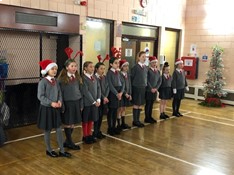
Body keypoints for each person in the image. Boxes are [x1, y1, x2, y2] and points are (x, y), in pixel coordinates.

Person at [37, 59, 71, 158]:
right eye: (52, 69)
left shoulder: (56, 81)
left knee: (59, 129)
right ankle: (49, 150)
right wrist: (51, 103)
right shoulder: (42, 82)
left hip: (56, 108)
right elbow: (40, 96)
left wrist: (60, 101)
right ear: (47, 70)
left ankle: (62, 150)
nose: (55, 71)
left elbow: (59, 92)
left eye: (56, 69)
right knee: (47, 130)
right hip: (47, 109)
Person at [57, 47, 83, 150]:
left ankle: (68, 141)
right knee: (67, 123)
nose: (74, 68)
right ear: (67, 67)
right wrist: (62, 105)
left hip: (76, 102)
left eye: (75, 66)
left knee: (72, 123)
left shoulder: (77, 78)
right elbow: (60, 94)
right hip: (67, 104)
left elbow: (80, 92)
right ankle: (70, 141)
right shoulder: (62, 79)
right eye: (72, 66)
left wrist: (81, 104)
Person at [82, 61, 101, 144]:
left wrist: (98, 99)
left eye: (93, 67)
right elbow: (86, 92)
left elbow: (98, 88)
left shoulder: (94, 77)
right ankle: (85, 136)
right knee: (85, 119)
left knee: (91, 119)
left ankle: (89, 134)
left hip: (95, 102)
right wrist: (93, 101)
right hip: (87, 103)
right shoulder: (83, 78)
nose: (92, 68)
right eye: (90, 67)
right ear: (85, 68)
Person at [106, 57, 124, 135]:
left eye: (118, 63)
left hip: (119, 92)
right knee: (111, 111)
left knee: (116, 111)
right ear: (111, 64)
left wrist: (121, 92)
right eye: (115, 63)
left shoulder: (119, 72)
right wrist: (117, 93)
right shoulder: (109, 73)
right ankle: (110, 127)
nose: (117, 65)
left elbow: (123, 83)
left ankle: (114, 126)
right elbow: (110, 85)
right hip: (113, 94)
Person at [131, 51, 148, 127]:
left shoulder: (145, 67)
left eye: (145, 57)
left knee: (140, 104)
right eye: (143, 57)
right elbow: (132, 78)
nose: (144, 58)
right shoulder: (135, 67)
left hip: (143, 87)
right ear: (139, 57)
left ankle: (138, 119)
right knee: (136, 104)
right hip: (136, 87)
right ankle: (135, 120)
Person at [93, 60, 109, 139]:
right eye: (101, 68)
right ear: (96, 69)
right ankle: (95, 132)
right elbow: (97, 89)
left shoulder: (104, 77)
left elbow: (107, 87)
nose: (103, 70)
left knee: (101, 116)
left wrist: (106, 96)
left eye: (104, 69)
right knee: (97, 116)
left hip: (104, 99)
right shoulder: (94, 78)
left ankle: (98, 130)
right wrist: (103, 97)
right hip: (97, 99)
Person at [145, 56, 162, 124]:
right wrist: (151, 88)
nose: (155, 64)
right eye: (153, 62)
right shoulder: (148, 71)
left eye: (155, 62)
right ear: (150, 63)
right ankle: (147, 117)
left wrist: (156, 88)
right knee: (148, 104)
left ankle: (150, 116)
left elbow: (159, 81)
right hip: (149, 90)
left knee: (152, 104)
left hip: (155, 90)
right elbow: (147, 80)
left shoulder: (157, 71)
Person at [117, 59, 131, 130]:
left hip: (127, 94)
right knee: (120, 109)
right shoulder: (119, 74)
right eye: (125, 66)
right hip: (122, 94)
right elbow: (121, 86)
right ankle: (118, 124)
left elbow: (129, 84)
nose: (126, 68)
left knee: (124, 108)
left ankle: (123, 123)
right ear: (121, 67)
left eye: (127, 66)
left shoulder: (127, 74)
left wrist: (129, 93)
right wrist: (125, 93)